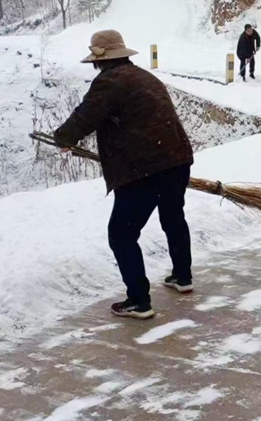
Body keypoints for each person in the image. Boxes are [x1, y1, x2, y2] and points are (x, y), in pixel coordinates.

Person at [53, 30, 194, 320]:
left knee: (121, 234)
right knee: (173, 217)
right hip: (177, 159)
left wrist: (63, 138)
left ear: (99, 60)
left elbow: (86, 115)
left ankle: (139, 301)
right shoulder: (145, 77)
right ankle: (183, 276)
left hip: (143, 168)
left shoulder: (109, 82)